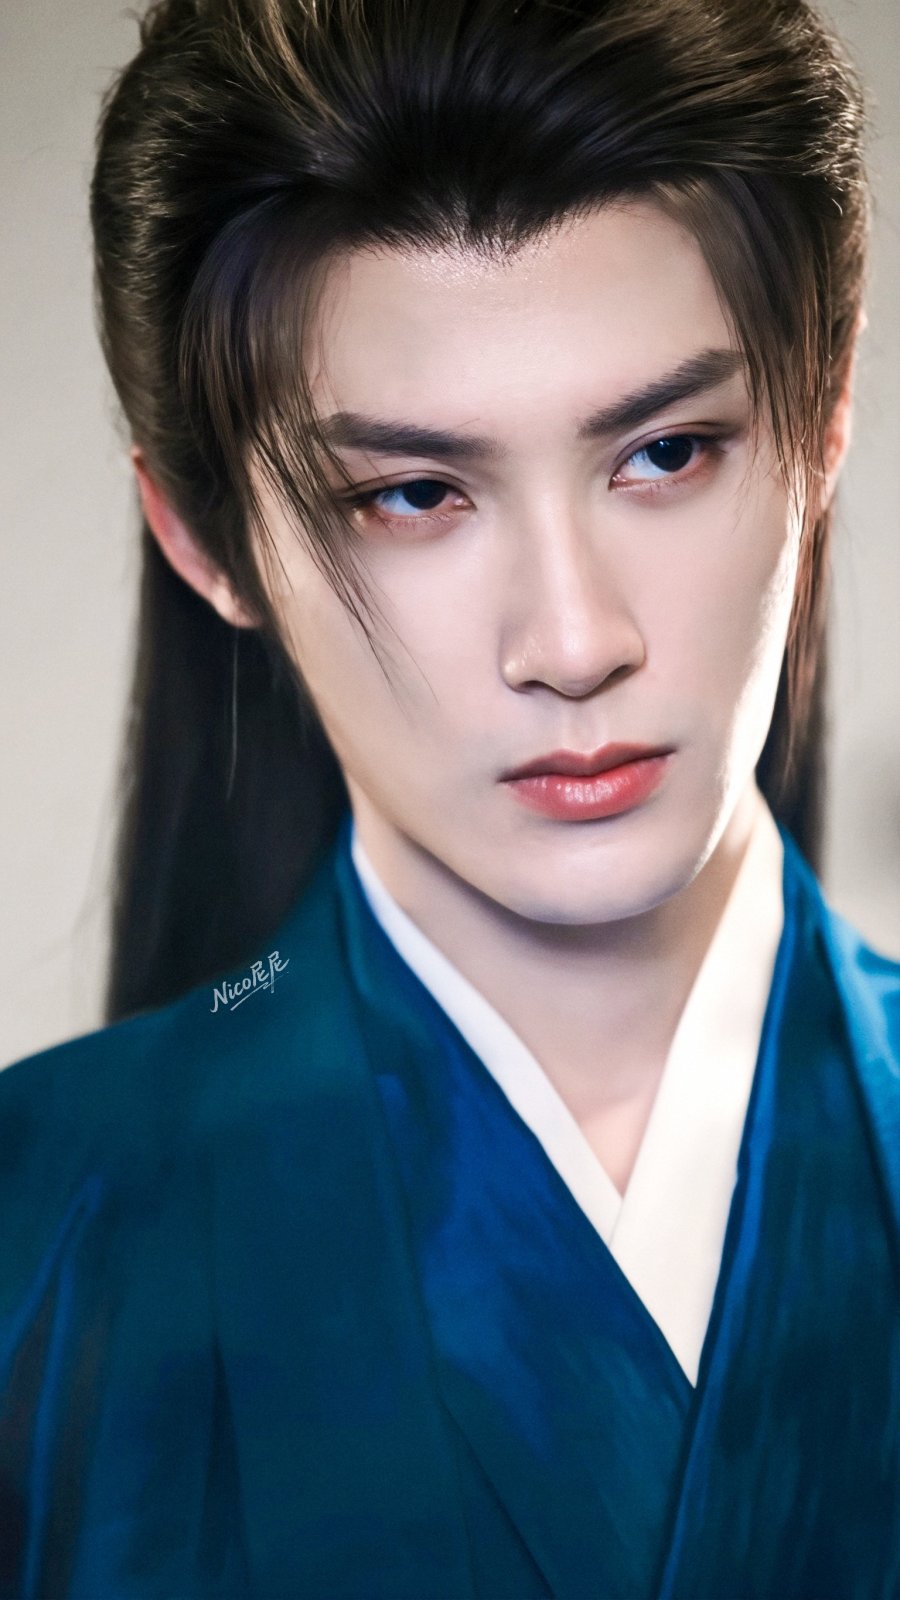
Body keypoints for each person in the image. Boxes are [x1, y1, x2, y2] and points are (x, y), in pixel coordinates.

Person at [1, 0, 898, 1594]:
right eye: (414, 493)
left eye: (668, 453)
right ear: (205, 541)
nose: (575, 640)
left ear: (825, 417)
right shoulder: (31, 1239)